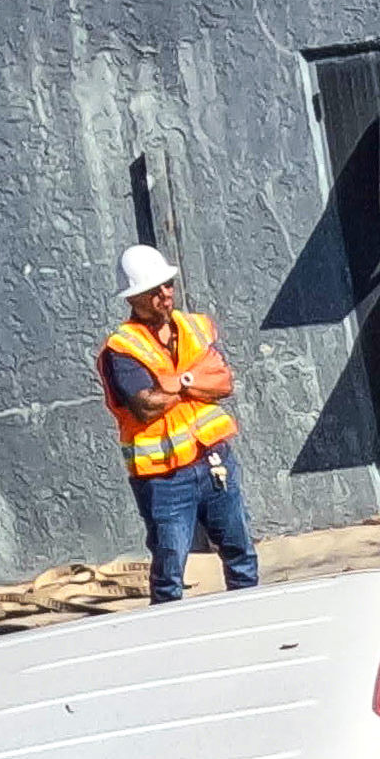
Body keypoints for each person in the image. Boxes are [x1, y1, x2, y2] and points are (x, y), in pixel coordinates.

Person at [104, 243, 258, 605]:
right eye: (153, 290)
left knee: (240, 551)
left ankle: (251, 614)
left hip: (214, 462)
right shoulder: (123, 348)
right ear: (133, 298)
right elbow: (145, 407)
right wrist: (194, 379)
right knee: (170, 570)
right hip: (164, 478)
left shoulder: (194, 328)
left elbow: (223, 382)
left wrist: (179, 381)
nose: (165, 294)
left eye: (167, 285)